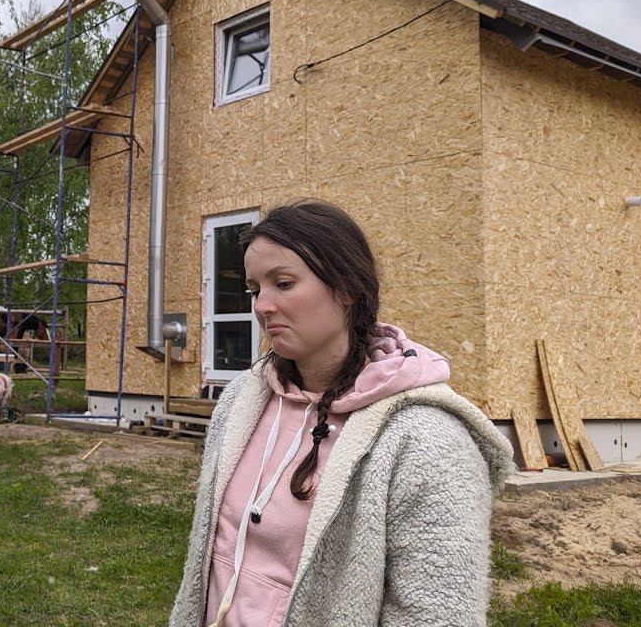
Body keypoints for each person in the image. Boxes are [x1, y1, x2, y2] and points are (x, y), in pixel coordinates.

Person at [169, 200, 515, 627]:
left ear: (348, 286)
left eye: (283, 283)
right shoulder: (243, 400)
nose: (262, 306)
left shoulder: (427, 439)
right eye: (255, 289)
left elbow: (437, 613)